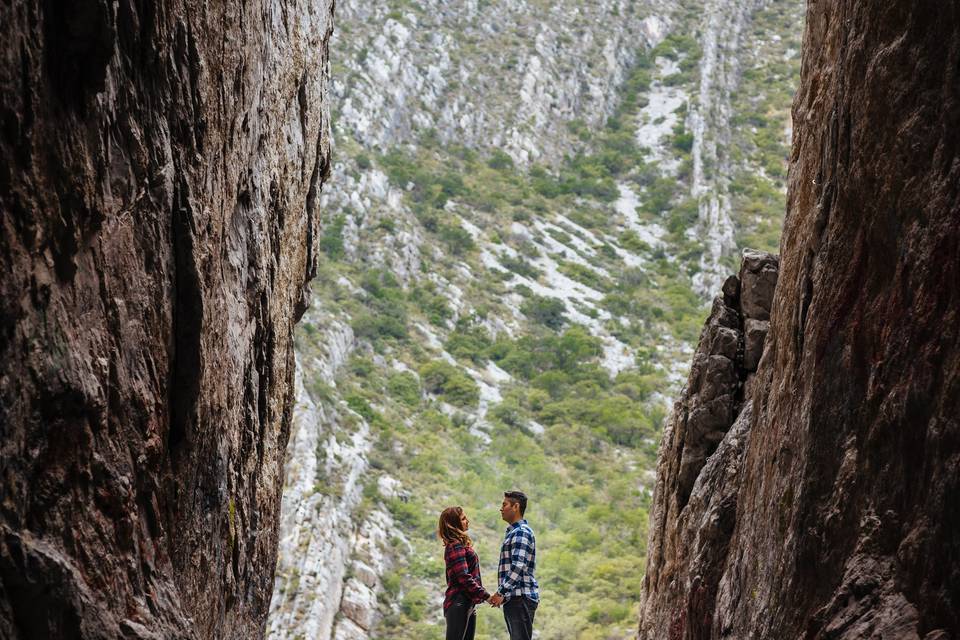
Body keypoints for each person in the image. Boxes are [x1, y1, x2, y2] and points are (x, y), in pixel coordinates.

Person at [488, 490, 539, 640]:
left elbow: (518, 566)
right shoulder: (514, 532)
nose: (501, 508)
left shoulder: (521, 532)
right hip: (515, 598)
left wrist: (500, 593)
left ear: (516, 507)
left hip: (520, 598)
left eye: (504, 505)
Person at [438, 506, 490, 640]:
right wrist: (486, 596)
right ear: (454, 524)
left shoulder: (459, 545)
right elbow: (463, 577)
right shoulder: (455, 545)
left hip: (467, 602)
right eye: (463, 519)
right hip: (459, 602)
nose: (467, 521)